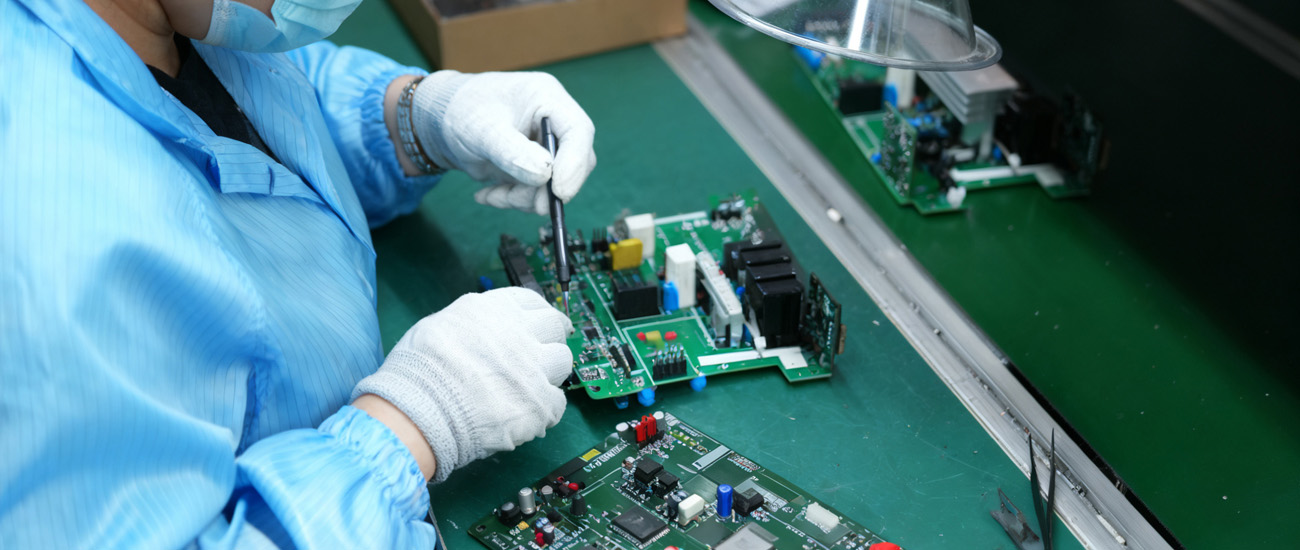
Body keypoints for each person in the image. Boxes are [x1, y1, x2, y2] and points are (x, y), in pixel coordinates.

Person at [0, 0, 597, 547]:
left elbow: (252, 90)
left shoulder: (154, 17)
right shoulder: (47, 240)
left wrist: (410, 117)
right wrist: (408, 430)